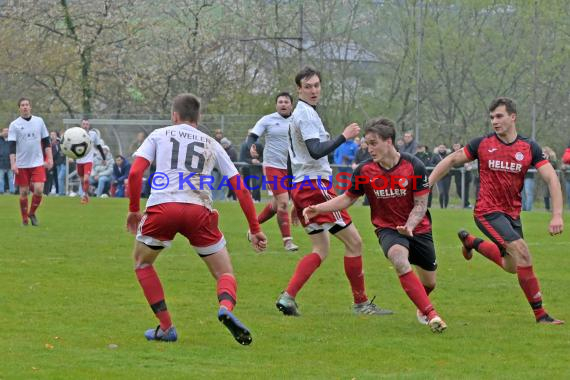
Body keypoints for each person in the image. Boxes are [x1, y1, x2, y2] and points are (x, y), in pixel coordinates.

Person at [126, 93, 267, 344]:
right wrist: (255, 228)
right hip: (199, 211)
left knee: (142, 263)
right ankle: (225, 308)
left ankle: (166, 327)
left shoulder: (159, 134)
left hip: (163, 207)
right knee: (225, 273)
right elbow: (242, 189)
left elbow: (136, 173)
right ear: (198, 117)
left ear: (174, 116)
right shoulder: (212, 142)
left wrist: (134, 209)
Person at [429, 97, 564, 324]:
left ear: (513, 117)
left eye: (499, 116)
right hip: (487, 211)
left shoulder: (529, 147)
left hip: (512, 214)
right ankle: (542, 316)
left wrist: (557, 214)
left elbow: (551, 178)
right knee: (523, 252)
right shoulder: (482, 144)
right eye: (492, 117)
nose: (494, 121)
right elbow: (452, 159)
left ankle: (471, 242)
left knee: (511, 266)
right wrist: (428, 184)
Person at [304, 117, 446, 332]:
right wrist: (319, 208)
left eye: (373, 143)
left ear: (388, 142)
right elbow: (348, 198)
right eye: (366, 144)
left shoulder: (413, 165)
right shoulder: (364, 171)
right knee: (399, 259)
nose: (368, 148)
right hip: (388, 229)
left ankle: (422, 304)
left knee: (430, 283)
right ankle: (432, 314)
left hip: (419, 229)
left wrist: (409, 225)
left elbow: (421, 204)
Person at [275, 66, 392, 316]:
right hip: (315, 185)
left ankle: (288, 297)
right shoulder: (305, 115)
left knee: (321, 248)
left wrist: (296, 200)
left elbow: (293, 159)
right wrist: (344, 136)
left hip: (302, 186)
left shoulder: (301, 115)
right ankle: (361, 304)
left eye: (317, 85)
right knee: (355, 242)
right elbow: (316, 150)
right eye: (308, 86)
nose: (314, 90)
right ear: (299, 89)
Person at [245, 92, 299, 251]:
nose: (283, 104)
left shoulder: (297, 120)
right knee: (283, 202)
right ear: (276, 105)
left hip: (291, 168)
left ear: (291, 105)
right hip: (272, 166)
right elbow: (252, 137)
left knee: (276, 205)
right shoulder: (268, 119)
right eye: (280, 102)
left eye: (286, 102)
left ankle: (252, 228)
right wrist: (251, 147)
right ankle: (287, 242)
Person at [8, 97, 53, 226]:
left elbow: (46, 141)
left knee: (39, 190)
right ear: (19, 108)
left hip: (37, 162)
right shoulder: (14, 124)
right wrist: (13, 163)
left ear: (30, 107)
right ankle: (24, 219)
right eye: (22, 105)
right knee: (24, 192)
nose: (25, 107)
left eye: (27, 104)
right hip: (22, 164)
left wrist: (49, 158)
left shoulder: (39, 121)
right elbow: (11, 145)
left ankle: (32, 212)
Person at [75, 118, 106, 204]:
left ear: (89, 125)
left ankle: (84, 195)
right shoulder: (76, 134)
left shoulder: (93, 134)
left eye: (87, 124)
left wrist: (104, 158)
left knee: (86, 180)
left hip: (88, 161)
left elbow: (99, 146)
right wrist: (71, 156)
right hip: (79, 161)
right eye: (84, 124)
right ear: (81, 125)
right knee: (82, 181)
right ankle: (86, 195)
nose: (85, 126)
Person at [239, 131, 263, 202]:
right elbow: (243, 157)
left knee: (257, 184)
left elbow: (263, 155)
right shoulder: (244, 145)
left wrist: (259, 161)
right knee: (248, 185)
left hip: (258, 168)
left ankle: (256, 199)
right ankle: (249, 199)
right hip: (247, 168)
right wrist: (251, 161)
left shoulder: (259, 145)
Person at [451, 143, 473, 208]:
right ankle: (466, 204)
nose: (456, 147)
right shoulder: (452, 154)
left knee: (465, 190)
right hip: (458, 175)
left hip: (466, 175)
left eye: (457, 145)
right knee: (459, 190)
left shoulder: (464, 152)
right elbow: (454, 164)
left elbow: (469, 161)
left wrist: (468, 164)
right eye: (454, 146)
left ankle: (466, 205)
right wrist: (463, 165)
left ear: (460, 146)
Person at [0, 127, 15, 194]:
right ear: (2, 132)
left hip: (10, 163)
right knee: (0, 179)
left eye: (7, 131)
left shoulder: (12, 140)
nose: (6, 132)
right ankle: (1, 191)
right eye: (5, 131)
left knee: (11, 179)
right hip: (1, 163)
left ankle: (12, 191)